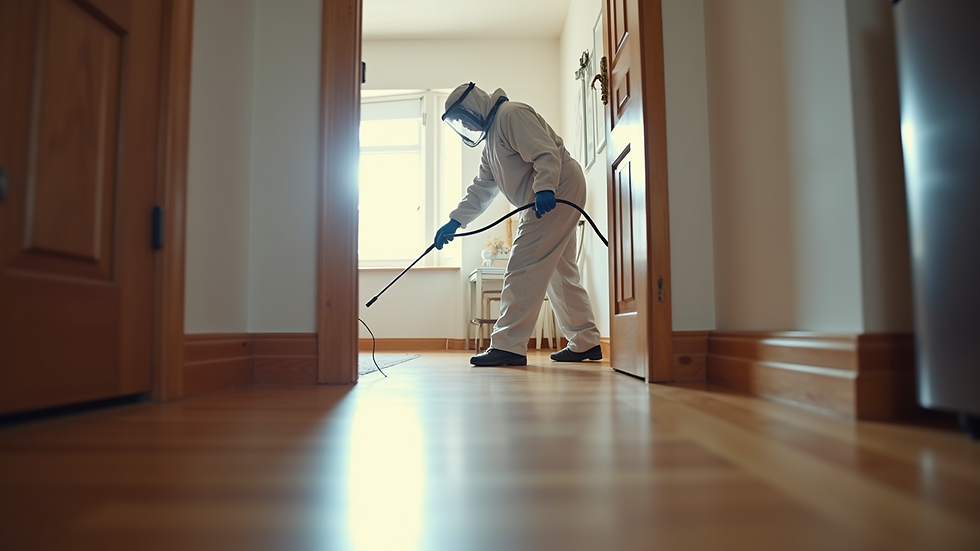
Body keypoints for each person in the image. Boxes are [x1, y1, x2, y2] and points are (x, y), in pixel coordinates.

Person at [435, 82, 602, 367]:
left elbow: (545, 153)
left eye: (463, 117)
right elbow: (481, 190)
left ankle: (508, 345)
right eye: (459, 122)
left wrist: (546, 187)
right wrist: (455, 221)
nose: (464, 124)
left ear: (474, 106)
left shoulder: (511, 115)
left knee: (523, 265)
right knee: (560, 272)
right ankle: (585, 341)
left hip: (557, 190)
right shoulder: (490, 146)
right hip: (552, 194)